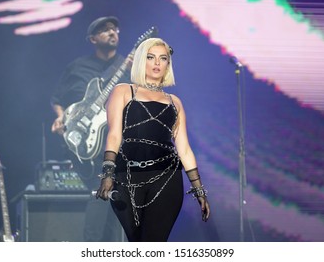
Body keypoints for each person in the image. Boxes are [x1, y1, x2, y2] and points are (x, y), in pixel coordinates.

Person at [96, 37, 211, 242]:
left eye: (163, 58)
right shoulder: (123, 91)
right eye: (151, 57)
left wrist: (200, 190)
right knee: (137, 243)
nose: (157, 63)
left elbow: (184, 149)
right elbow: (114, 134)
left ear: (168, 64)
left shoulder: (175, 102)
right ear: (142, 61)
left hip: (166, 178)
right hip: (127, 177)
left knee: (154, 243)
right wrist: (107, 172)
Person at [50, 16, 130, 241]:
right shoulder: (77, 67)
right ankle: (91, 248)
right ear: (93, 39)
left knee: (115, 201)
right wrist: (60, 118)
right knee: (101, 188)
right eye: (105, 30)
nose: (112, 32)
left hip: (115, 142)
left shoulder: (128, 67)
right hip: (82, 142)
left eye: (115, 28)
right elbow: (56, 99)